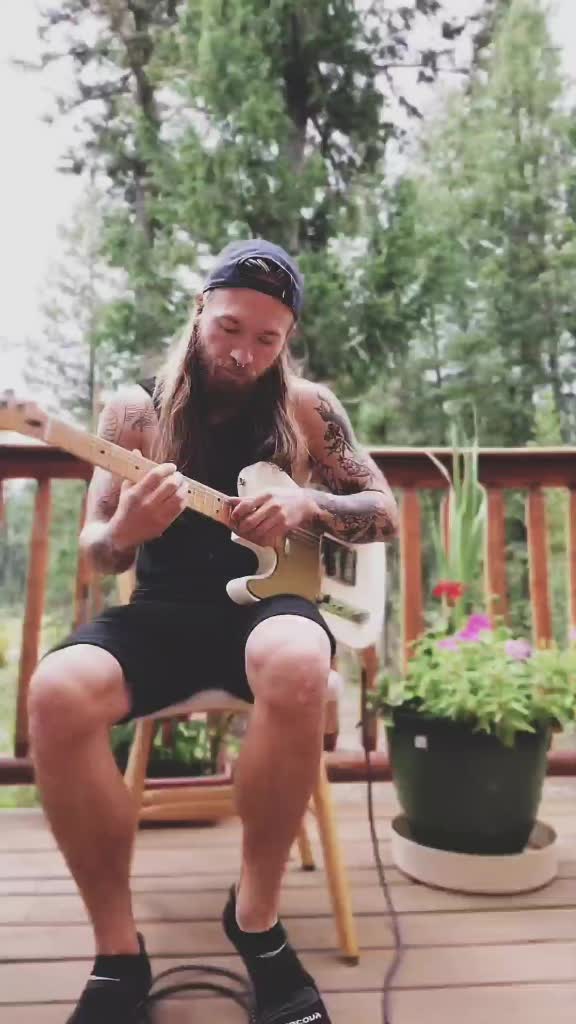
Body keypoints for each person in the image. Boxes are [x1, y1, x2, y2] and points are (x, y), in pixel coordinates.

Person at [28, 239, 399, 1024]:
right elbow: (96, 553)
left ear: (287, 339)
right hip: (162, 614)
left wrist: (308, 505)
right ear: (200, 310)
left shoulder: (307, 407)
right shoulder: (134, 413)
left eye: (267, 339)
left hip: (270, 607)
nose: (243, 354)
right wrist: (125, 529)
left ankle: (256, 921)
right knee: (56, 691)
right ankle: (117, 954)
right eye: (230, 328)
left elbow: (384, 512)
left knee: (300, 661)